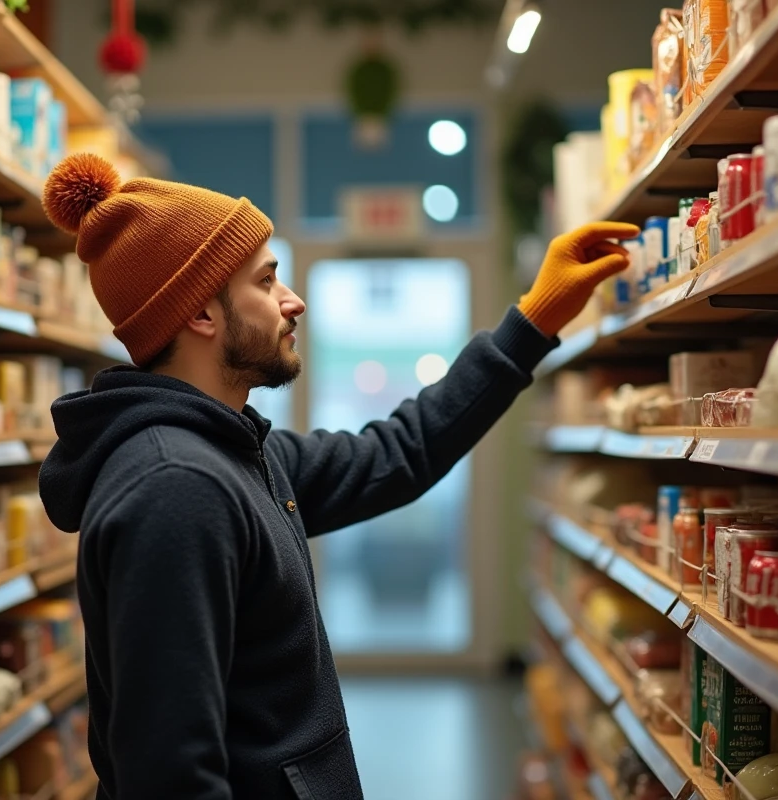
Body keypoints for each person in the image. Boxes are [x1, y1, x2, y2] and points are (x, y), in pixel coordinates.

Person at [38, 152, 639, 800]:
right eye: (267, 281)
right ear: (201, 314)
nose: (292, 301)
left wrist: (533, 321)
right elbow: (170, 776)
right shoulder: (176, 487)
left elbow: (398, 451)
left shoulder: (235, 454)